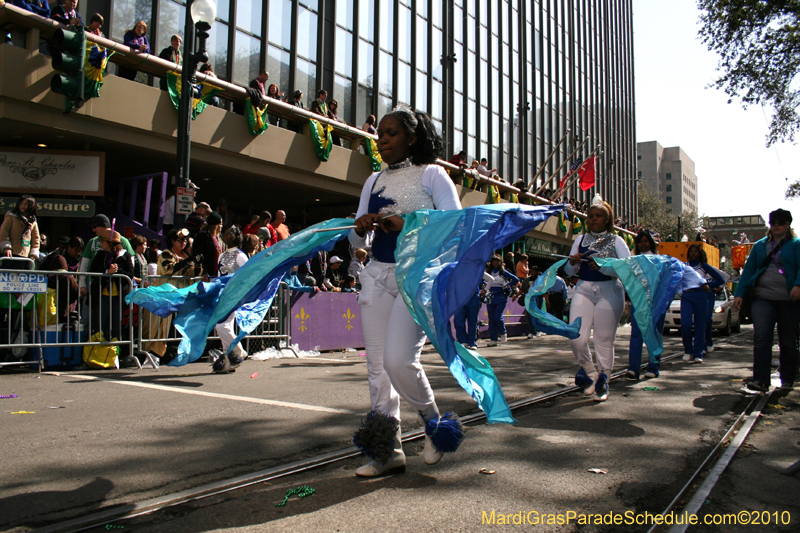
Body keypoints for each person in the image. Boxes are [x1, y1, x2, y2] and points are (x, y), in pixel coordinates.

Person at [349, 107, 462, 477]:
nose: (381, 139)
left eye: (391, 133)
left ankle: (433, 424)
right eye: (379, 133)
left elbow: (455, 227)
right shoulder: (372, 180)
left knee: (399, 360)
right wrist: (361, 226)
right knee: (378, 369)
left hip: (417, 277)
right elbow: (354, 239)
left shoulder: (433, 174)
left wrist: (409, 222)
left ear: (412, 138)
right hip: (377, 275)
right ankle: (387, 450)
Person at [564, 195, 631, 402]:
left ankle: (604, 378)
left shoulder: (617, 241)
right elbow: (567, 270)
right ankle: (590, 373)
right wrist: (573, 262)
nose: (593, 219)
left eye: (598, 216)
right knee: (576, 337)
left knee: (603, 339)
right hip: (583, 288)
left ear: (607, 219)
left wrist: (605, 267)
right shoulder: (579, 240)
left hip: (610, 291)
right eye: (591, 216)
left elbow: (627, 268)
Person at [733, 209, 800, 393]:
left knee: (788, 340)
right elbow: (748, 270)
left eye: (780, 222)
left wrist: (798, 285)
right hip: (763, 299)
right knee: (762, 337)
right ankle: (761, 380)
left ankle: (787, 379)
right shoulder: (760, 245)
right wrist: (739, 293)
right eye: (773, 222)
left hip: (789, 300)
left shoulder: (796, 244)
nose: (776, 225)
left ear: (788, 225)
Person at [210, 225, 250, 373]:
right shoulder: (222, 255)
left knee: (221, 325)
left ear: (234, 235)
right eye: (223, 233)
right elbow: (220, 276)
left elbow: (247, 276)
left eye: (227, 233)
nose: (224, 235)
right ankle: (229, 362)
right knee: (226, 325)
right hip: (223, 294)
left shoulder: (240, 255)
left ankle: (239, 351)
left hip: (234, 296)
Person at [625, 231, 663, 379]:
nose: (643, 244)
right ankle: (633, 368)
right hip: (638, 301)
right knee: (636, 334)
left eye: (646, 241)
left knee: (654, 334)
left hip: (656, 302)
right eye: (640, 241)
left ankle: (653, 367)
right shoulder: (632, 260)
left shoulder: (659, 260)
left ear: (651, 243)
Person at [88, 229, 134, 343]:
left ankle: (114, 354)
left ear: (110, 243)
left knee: (116, 326)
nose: (101, 243)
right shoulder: (100, 255)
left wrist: (116, 271)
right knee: (100, 325)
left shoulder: (125, 256)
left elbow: (130, 273)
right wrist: (107, 271)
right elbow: (93, 270)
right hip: (101, 296)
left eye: (103, 241)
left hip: (118, 297)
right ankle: (97, 353)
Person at [681, 244, 724, 363]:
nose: (693, 254)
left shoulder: (704, 267)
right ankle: (688, 350)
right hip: (687, 296)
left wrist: (708, 286)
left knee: (700, 325)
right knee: (685, 324)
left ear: (699, 254)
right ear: (688, 253)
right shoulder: (684, 266)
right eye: (691, 251)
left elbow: (720, 280)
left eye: (696, 251)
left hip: (701, 296)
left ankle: (698, 353)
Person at [40, 236, 84, 322]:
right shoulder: (56, 257)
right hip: (54, 293)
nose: (78, 253)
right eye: (76, 250)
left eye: (80, 251)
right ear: (69, 247)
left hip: (71, 295)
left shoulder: (80, 260)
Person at [454, 271, 495, 349]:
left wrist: (485, 291)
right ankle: (463, 341)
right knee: (458, 320)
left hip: (473, 297)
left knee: (472, 321)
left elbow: (491, 279)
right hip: (460, 298)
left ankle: (472, 342)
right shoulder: (457, 268)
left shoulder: (477, 269)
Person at [485, 255, 520, 347]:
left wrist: (507, 284)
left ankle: (503, 333)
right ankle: (493, 339)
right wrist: (485, 286)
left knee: (498, 317)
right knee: (491, 319)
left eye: (497, 261)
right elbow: (481, 279)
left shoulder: (503, 272)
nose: (495, 263)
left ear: (500, 263)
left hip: (501, 297)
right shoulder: (488, 272)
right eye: (494, 261)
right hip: (491, 297)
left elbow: (516, 279)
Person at [1, 194, 40, 261]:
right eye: (21, 203)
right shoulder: (11, 217)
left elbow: (36, 239)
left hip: (25, 254)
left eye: (26, 204)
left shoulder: (32, 221)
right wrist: (7, 247)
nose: (22, 206)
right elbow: (4, 232)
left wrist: (33, 253)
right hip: (10, 253)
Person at [192, 211, 224, 277]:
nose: (222, 226)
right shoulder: (203, 237)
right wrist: (204, 272)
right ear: (215, 225)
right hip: (207, 273)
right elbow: (199, 254)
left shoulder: (219, 238)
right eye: (220, 224)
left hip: (217, 272)